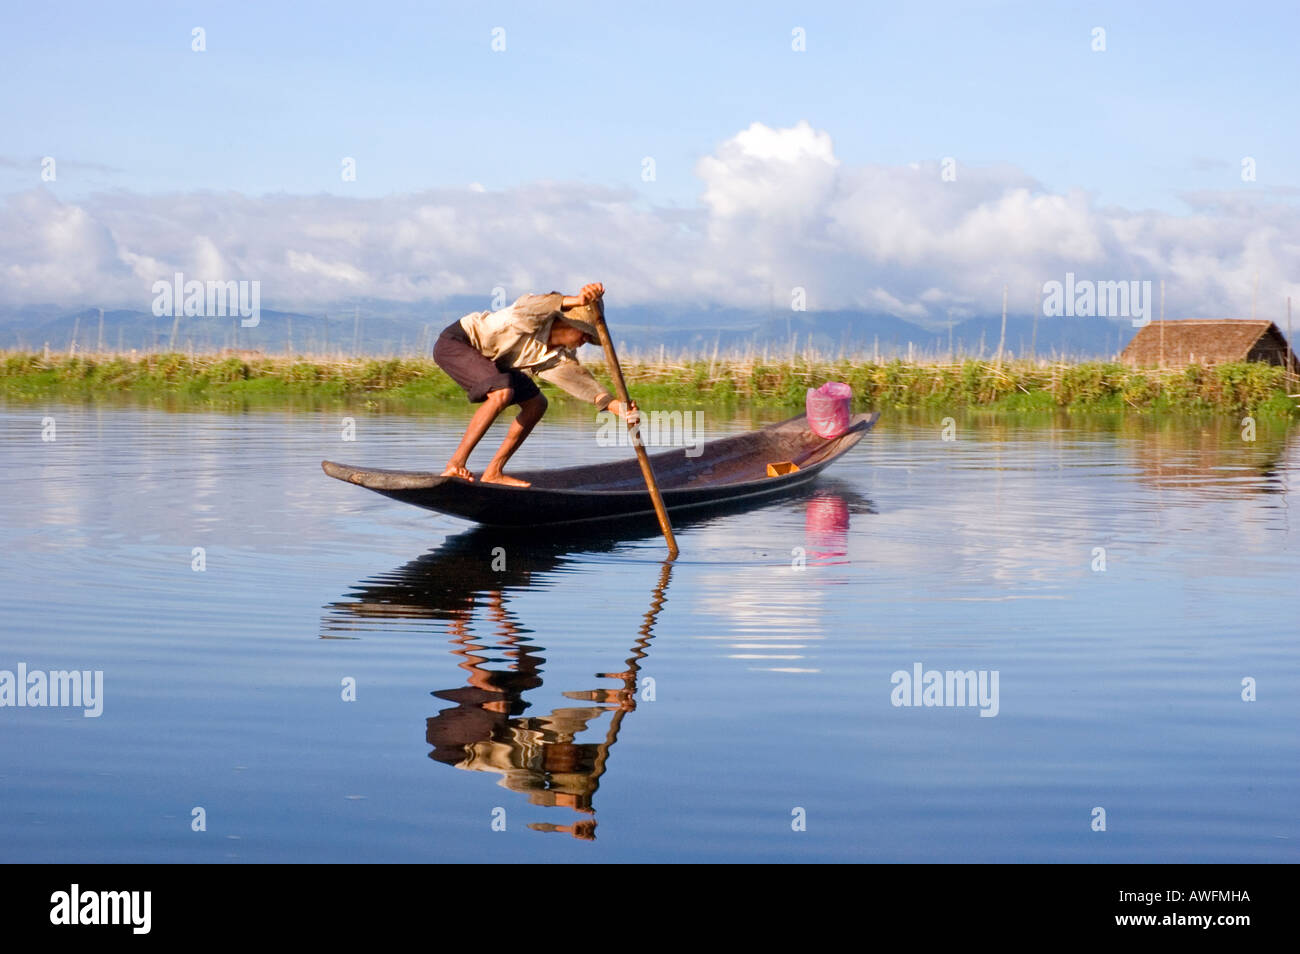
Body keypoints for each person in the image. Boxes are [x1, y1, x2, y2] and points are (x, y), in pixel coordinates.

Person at [432, 282, 637, 486]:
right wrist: (578, 300)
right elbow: (535, 304)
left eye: (590, 337)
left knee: (537, 404)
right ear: (566, 322)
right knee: (502, 392)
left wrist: (616, 406)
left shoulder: (557, 358)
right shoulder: (532, 318)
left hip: (493, 363)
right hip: (458, 342)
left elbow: (581, 382)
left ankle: (493, 471)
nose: (585, 339)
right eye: (584, 332)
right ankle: (455, 464)